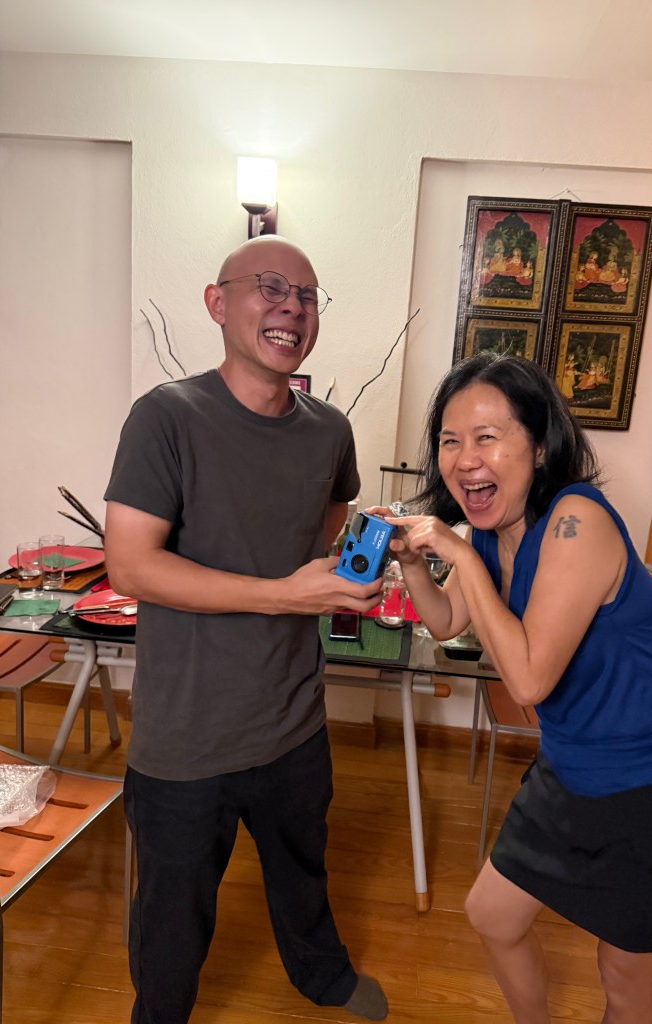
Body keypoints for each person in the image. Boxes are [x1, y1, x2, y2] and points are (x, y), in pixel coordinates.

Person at [379, 353, 652, 1024]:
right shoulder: (494, 532)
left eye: (487, 437)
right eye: (449, 440)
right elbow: (444, 623)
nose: (465, 457)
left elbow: (528, 677)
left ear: (539, 443)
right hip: (575, 768)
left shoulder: (576, 521)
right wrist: (416, 563)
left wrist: (461, 554)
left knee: (625, 977)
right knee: (492, 916)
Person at [104, 235, 388, 1024]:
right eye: (269, 288)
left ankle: (322, 978)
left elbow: (327, 524)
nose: (291, 307)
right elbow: (130, 566)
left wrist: (331, 577)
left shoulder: (329, 430)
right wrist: (282, 595)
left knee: (303, 872)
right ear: (217, 302)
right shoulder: (166, 417)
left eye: (306, 295)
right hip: (186, 732)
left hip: (294, 720)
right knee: (172, 907)